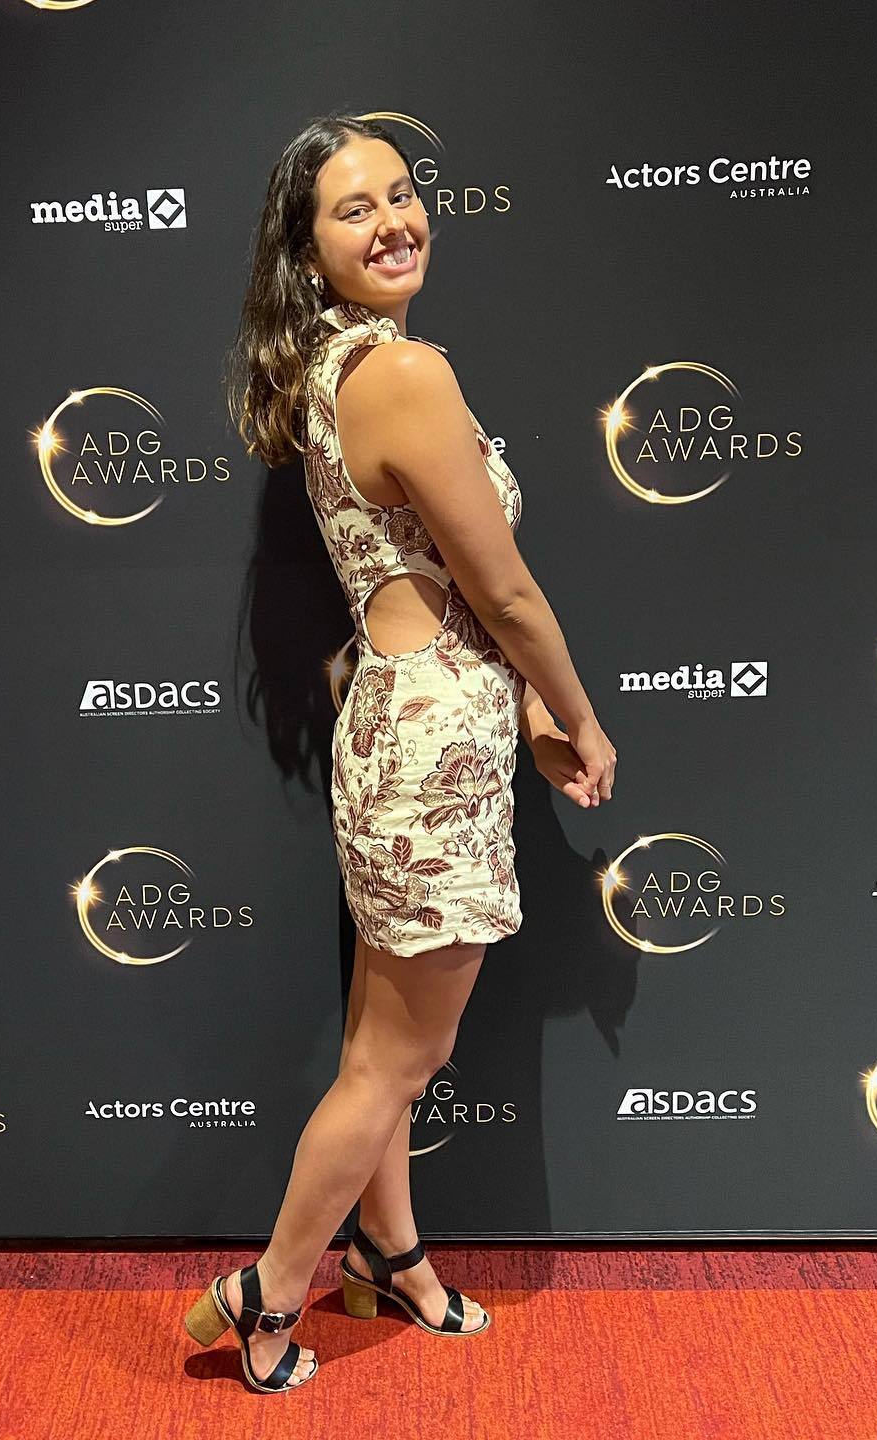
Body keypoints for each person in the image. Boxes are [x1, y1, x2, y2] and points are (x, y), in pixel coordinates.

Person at [190, 113, 618, 1393]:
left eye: (402, 192)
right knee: (398, 1061)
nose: (392, 221)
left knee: (378, 1049)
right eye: (353, 208)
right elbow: (509, 593)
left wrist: (523, 709)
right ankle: (267, 1294)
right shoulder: (404, 373)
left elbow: (440, 585)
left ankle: (391, 1253)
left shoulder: (331, 367)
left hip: (401, 726)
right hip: (432, 750)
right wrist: (577, 712)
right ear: (309, 250)